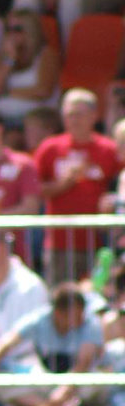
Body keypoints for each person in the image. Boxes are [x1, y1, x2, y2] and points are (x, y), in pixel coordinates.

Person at [34, 88, 121, 282]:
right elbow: (35, 190)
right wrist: (62, 184)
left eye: (79, 114)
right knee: (61, 299)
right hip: (60, 244)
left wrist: (112, 200)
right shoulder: (50, 148)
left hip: (100, 244)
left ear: (94, 115)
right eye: (69, 115)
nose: (73, 120)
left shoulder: (108, 149)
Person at [0, 283, 104, 406]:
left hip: (78, 383)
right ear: (58, 313)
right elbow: (1, 346)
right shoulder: (38, 320)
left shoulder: (90, 324)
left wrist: (64, 390)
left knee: (96, 385)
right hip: (46, 380)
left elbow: (83, 364)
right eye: (75, 316)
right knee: (3, 384)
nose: (80, 320)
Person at [0, 9, 59, 125]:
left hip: (37, 119)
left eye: (17, 29)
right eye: (8, 29)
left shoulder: (46, 54)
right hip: (3, 119)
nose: (12, 34)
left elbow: (43, 91)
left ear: (31, 31)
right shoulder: (0, 58)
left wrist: (7, 92)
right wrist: (9, 61)